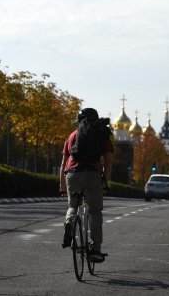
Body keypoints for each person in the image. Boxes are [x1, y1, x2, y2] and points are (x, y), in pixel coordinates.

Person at [59, 108, 113, 263]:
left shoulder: (72, 136)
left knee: (73, 206)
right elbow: (109, 162)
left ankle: (69, 222)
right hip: (92, 174)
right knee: (95, 212)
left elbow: (63, 164)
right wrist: (105, 183)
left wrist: (62, 186)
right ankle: (95, 250)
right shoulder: (102, 134)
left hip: (73, 175)